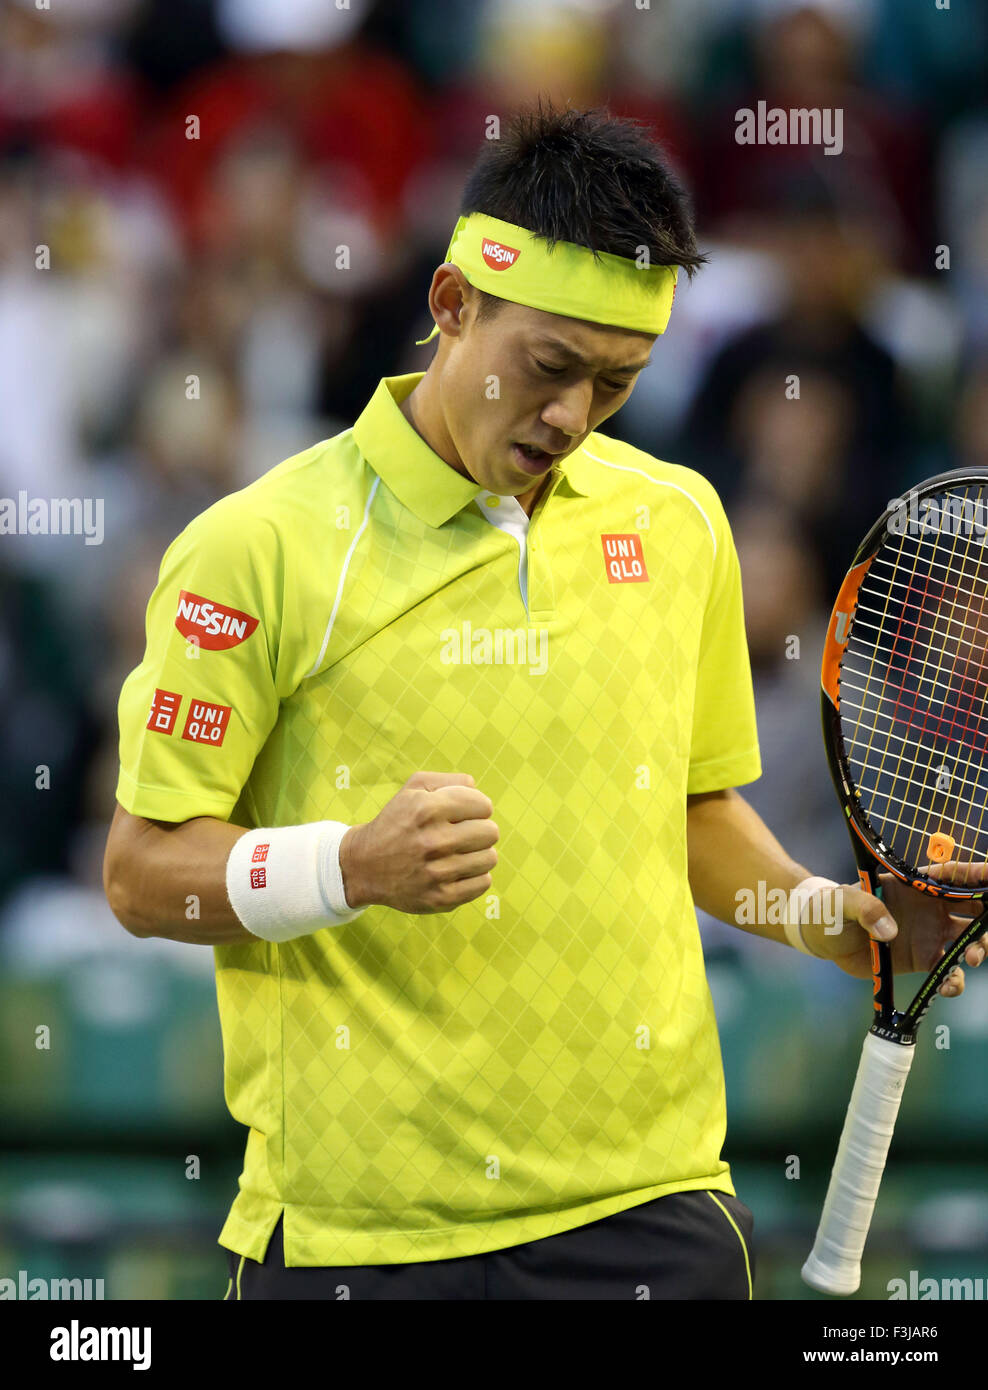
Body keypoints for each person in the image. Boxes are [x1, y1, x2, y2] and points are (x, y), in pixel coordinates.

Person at [103, 102, 986, 1301]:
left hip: (650, 1209)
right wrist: (348, 865)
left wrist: (828, 917)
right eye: (550, 367)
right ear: (452, 304)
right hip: (365, 1237)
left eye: (615, 384)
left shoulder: (677, 522)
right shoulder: (253, 551)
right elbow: (144, 872)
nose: (570, 418)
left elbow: (685, 816)